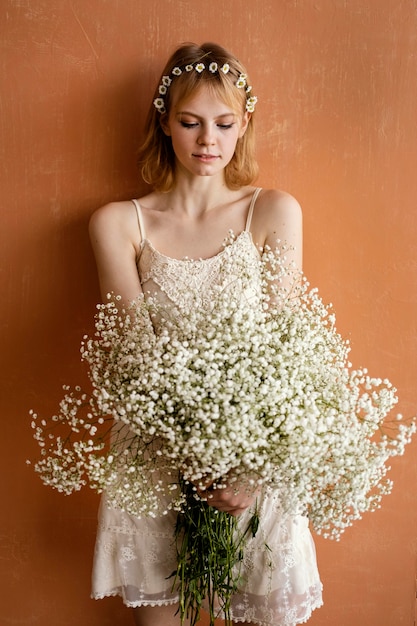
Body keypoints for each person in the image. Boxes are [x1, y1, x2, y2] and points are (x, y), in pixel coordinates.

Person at [89, 42, 323, 626]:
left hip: (255, 458)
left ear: (244, 124)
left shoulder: (272, 211)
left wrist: (248, 467)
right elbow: (132, 358)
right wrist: (189, 456)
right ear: (165, 122)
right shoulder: (121, 223)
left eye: (223, 124)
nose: (207, 141)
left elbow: (285, 354)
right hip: (156, 458)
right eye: (190, 123)